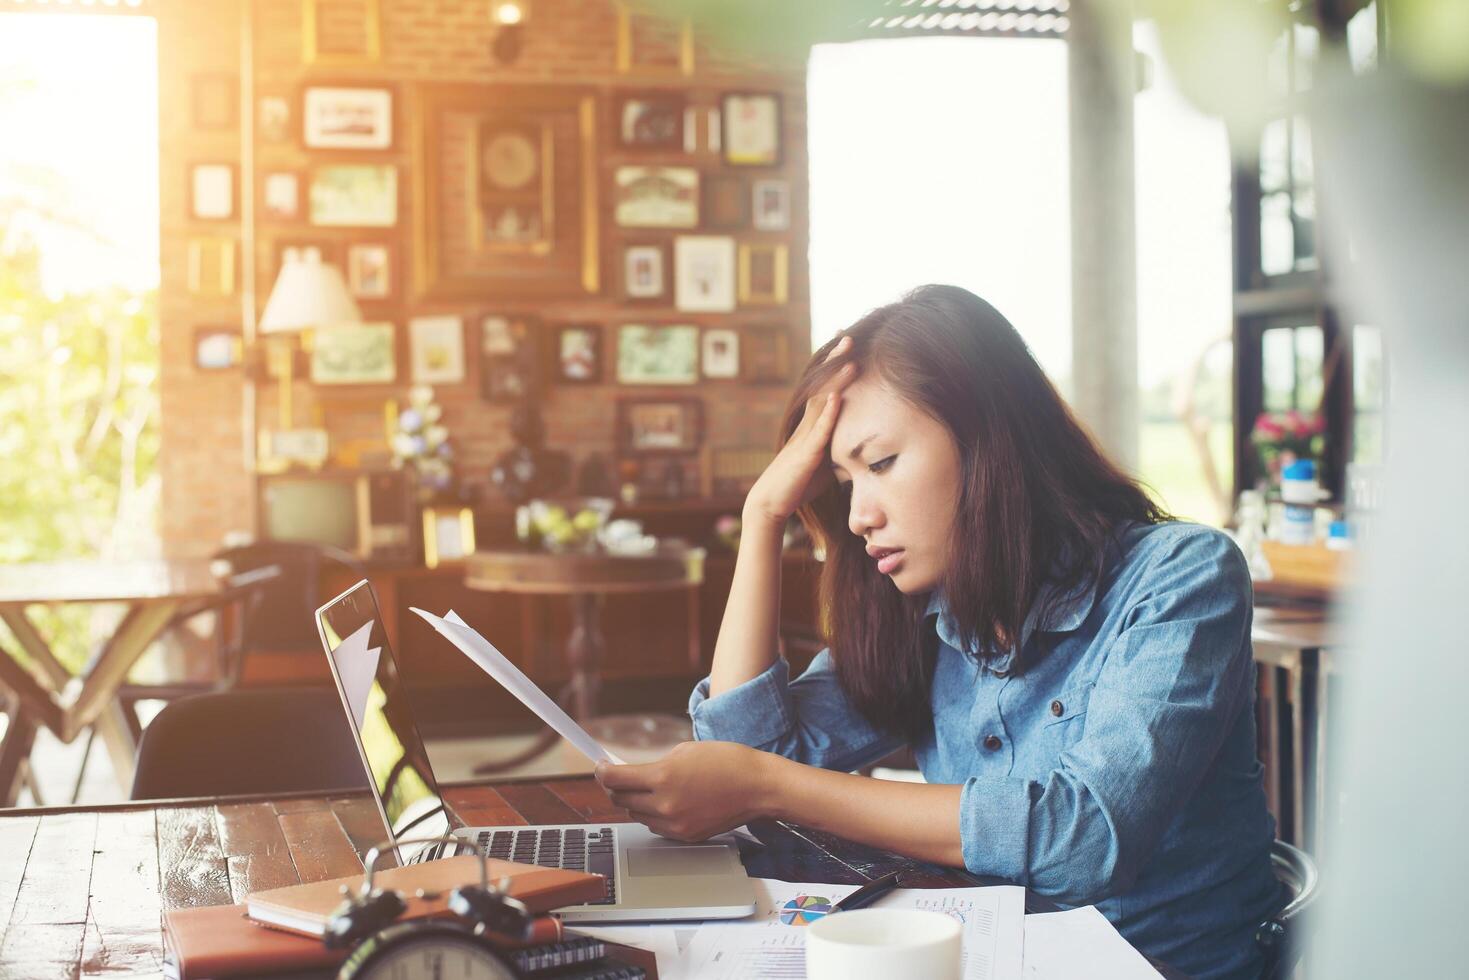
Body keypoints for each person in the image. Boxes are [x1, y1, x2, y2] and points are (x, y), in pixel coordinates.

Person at [595, 285, 1284, 979]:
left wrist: (771, 786)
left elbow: (1083, 838)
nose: (858, 515)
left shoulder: (1181, 576)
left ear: (988, 437)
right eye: (840, 482)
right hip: (985, 957)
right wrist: (763, 517)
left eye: (882, 463)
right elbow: (743, 754)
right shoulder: (920, 606)